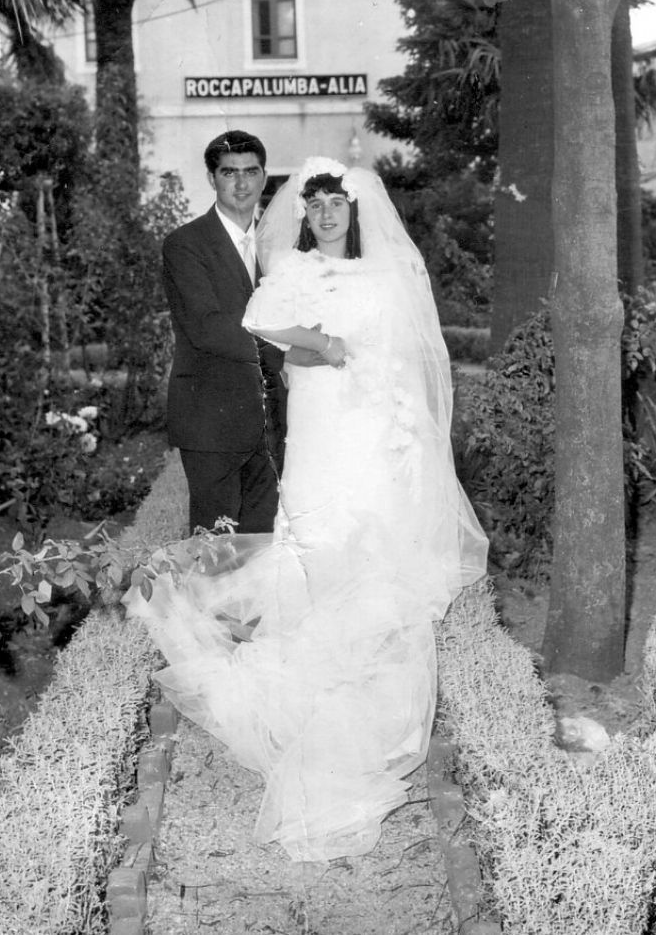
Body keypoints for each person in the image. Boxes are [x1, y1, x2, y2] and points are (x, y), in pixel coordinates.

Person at [125, 158, 488, 862]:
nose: (326, 215)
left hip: (370, 433)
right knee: (315, 549)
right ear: (304, 213)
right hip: (320, 430)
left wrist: (404, 445)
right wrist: (314, 343)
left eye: (336, 206)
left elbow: (404, 362)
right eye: (315, 205)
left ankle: (364, 705)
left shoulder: (384, 276)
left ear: (355, 215)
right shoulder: (288, 270)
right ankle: (312, 703)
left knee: (371, 557)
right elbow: (259, 321)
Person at [162, 130, 321, 535]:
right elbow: (209, 328)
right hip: (211, 421)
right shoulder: (186, 245)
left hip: (272, 424)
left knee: (262, 545)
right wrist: (291, 352)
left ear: (265, 177)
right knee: (216, 549)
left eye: (251, 172)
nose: (241, 183)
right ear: (212, 178)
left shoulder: (282, 248)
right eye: (229, 172)